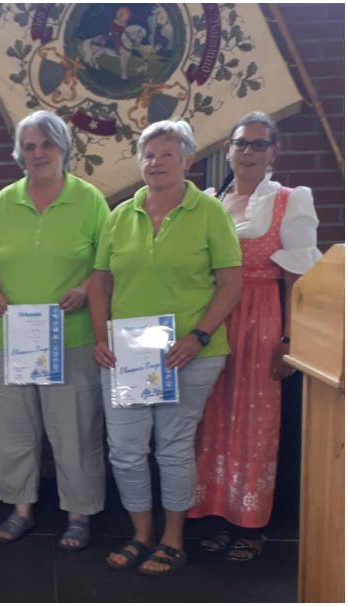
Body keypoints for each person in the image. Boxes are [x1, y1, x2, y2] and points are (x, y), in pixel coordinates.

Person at [88, 119, 242, 575]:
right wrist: (101, 338)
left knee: (173, 448)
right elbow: (100, 284)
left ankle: (173, 541)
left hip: (190, 353)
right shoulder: (120, 216)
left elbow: (230, 285)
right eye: (148, 155)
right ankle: (141, 534)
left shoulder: (209, 212)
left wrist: (198, 336)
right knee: (125, 450)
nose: (155, 163)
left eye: (166, 154)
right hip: (129, 354)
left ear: (187, 160)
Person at [189, 112, 321, 560]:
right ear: (227, 149)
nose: (248, 151)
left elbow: (297, 279)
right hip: (215, 317)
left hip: (263, 317)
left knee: (255, 420)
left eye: (258, 144)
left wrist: (290, 340)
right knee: (212, 414)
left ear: (273, 152)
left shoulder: (289, 201)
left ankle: (252, 524)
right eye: (241, 143)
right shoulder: (210, 201)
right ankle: (216, 514)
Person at [0, 110, 110, 550]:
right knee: (11, 431)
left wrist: (84, 289)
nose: (38, 153)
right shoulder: (5, 200)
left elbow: (107, 263)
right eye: (29, 146)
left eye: (46, 144)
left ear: (63, 148)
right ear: (20, 154)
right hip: (8, 339)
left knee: (75, 433)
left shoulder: (89, 200)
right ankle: (21, 510)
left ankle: (79, 514)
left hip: (71, 339)